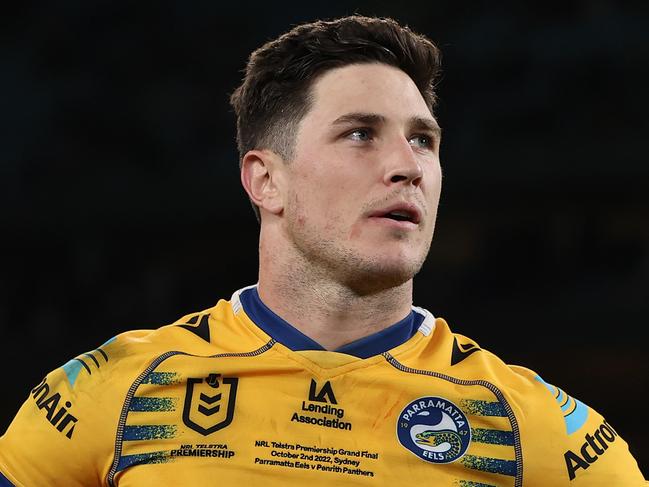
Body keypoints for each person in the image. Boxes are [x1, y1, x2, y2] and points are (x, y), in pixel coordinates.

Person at [0, 14, 645, 487]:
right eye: (361, 134)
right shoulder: (113, 392)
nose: (406, 166)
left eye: (424, 140)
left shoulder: (533, 427)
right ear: (266, 180)